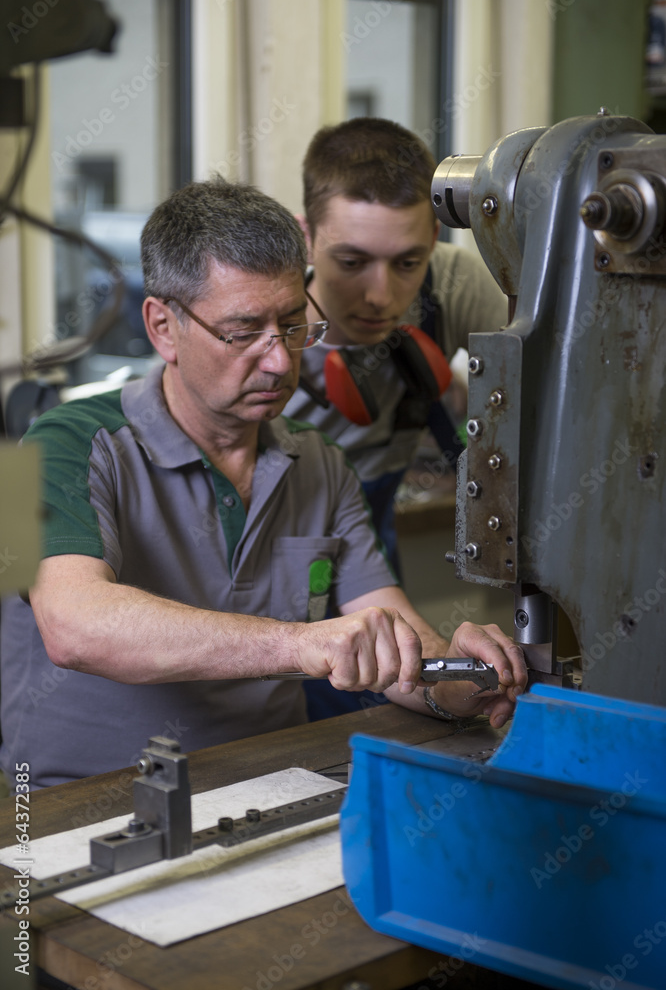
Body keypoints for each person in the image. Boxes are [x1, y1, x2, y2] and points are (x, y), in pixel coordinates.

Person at [0, 178, 525, 791]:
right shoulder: (51, 446)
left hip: (272, 789)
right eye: (244, 332)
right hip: (72, 805)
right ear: (162, 326)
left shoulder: (321, 463)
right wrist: (300, 644)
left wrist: (461, 680)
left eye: (293, 326)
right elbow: (74, 627)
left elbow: (394, 641)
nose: (279, 362)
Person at [282, 117, 509, 719]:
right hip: (283, 533)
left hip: (373, 518)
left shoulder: (452, 286)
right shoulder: (269, 327)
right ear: (306, 237)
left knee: (390, 686)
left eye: (408, 263)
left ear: (433, 236)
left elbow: (537, 389)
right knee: (297, 701)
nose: (380, 296)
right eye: (351, 261)